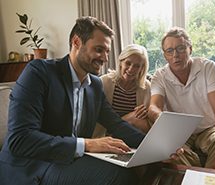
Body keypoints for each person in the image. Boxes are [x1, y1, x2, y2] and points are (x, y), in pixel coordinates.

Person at [0, 16, 146, 185]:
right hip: (33, 166)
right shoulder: (39, 73)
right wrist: (87, 144)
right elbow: (20, 139)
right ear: (77, 42)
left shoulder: (94, 85)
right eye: (99, 49)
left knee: (139, 166)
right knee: (118, 176)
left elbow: (117, 124)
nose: (105, 59)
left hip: (66, 161)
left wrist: (156, 148)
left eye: (107, 51)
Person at [148, 26, 215, 171]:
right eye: (169, 51)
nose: (175, 55)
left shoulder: (208, 67)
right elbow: (153, 107)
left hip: (208, 128)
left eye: (181, 48)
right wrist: (160, 116)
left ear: (190, 49)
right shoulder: (159, 76)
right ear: (164, 55)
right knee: (168, 153)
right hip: (179, 130)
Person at [93, 44, 151, 138]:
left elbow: (148, 123)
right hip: (105, 136)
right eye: (128, 63)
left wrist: (145, 114)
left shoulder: (146, 87)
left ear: (142, 68)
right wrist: (130, 118)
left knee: (140, 120)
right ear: (121, 62)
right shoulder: (103, 82)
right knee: (135, 118)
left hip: (131, 136)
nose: (131, 69)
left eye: (137, 66)